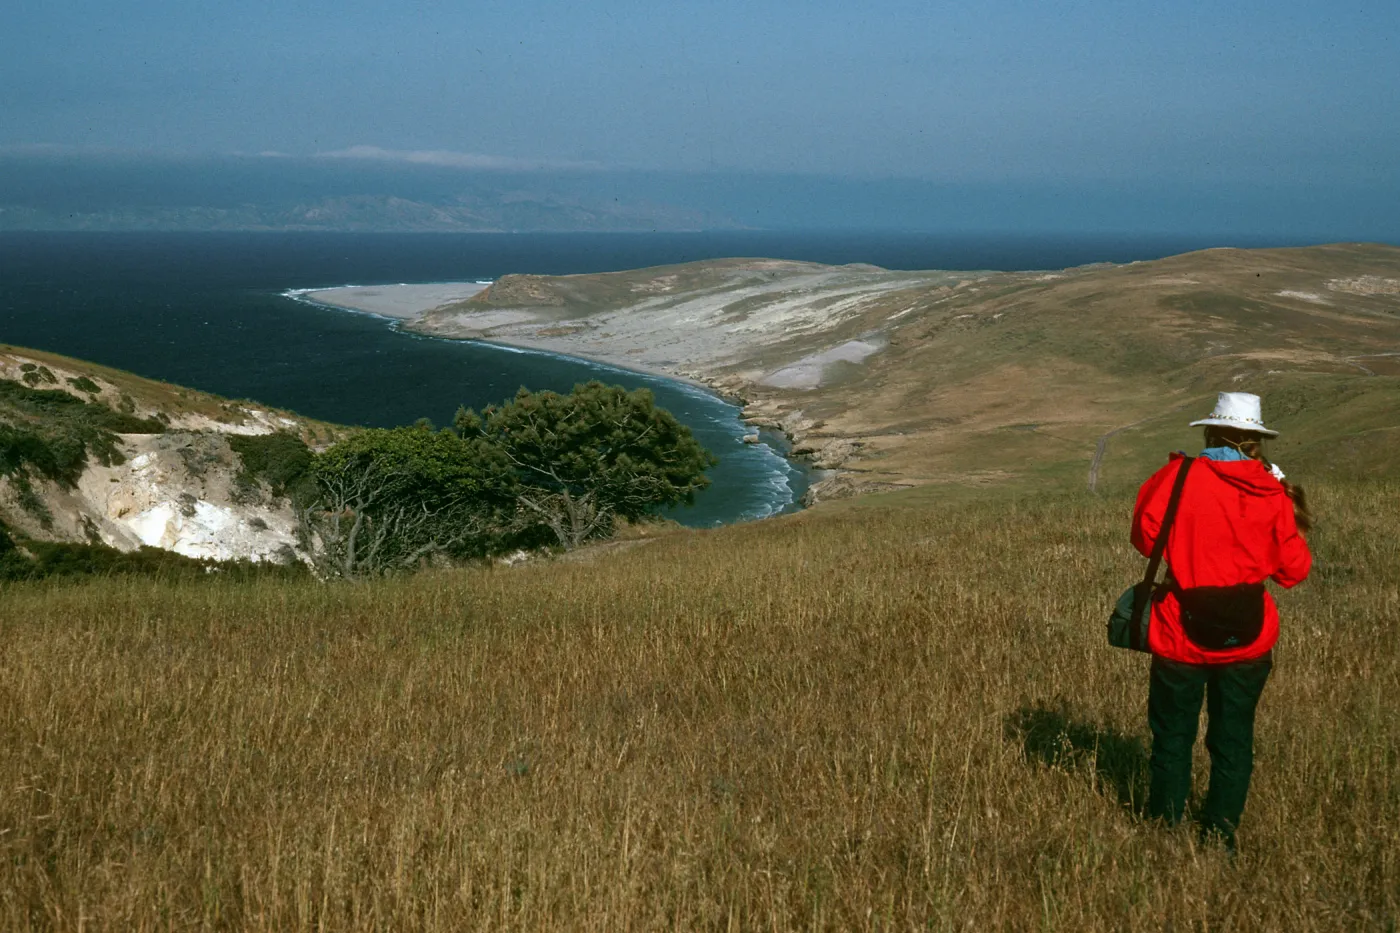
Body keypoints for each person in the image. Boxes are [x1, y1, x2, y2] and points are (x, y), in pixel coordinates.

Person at [1131, 392, 1312, 851]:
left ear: (1209, 431)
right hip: (1248, 641)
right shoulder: (1272, 490)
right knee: (1233, 740)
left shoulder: (1176, 477)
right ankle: (1220, 836)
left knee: (1172, 737)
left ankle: (1164, 832)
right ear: (1255, 439)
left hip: (1178, 634)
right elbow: (1294, 571)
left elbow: (1144, 537)